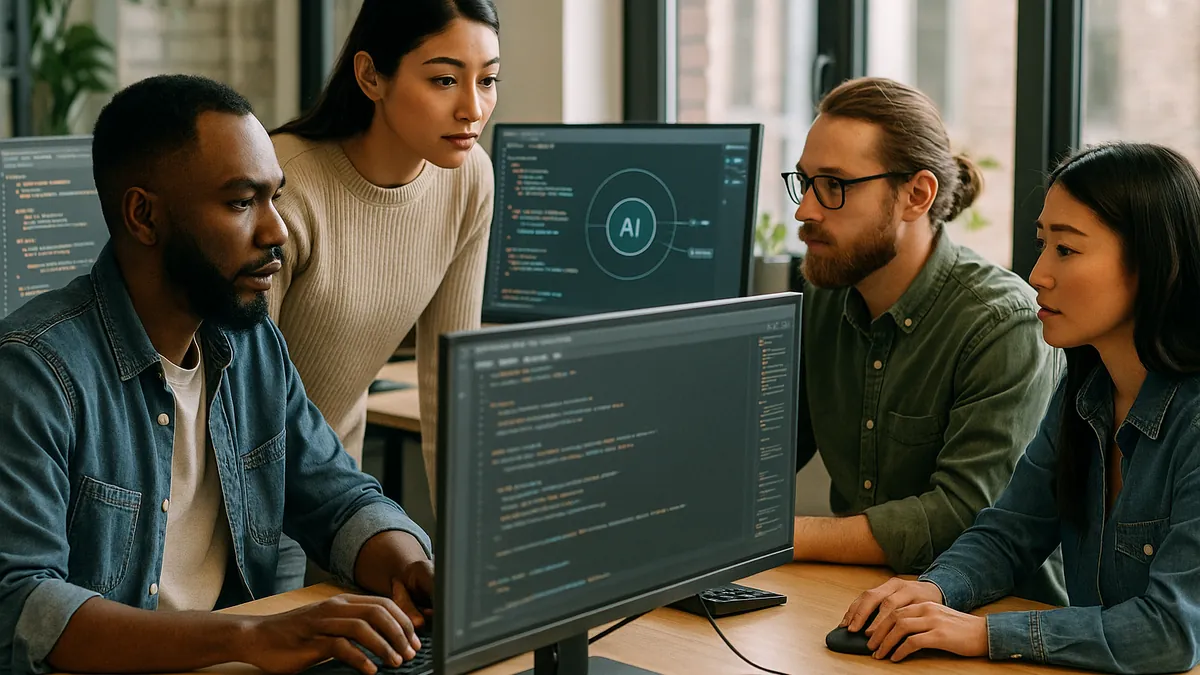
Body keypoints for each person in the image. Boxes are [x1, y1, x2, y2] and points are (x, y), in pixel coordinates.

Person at [0, 74, 435, 675]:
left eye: (274, 196)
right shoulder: (35, 372)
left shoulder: (251, 343)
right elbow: (23, 606)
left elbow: (339, 500)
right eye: (240, 202)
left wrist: (412, 567)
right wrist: (248, 638)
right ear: (143, 217)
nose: (276, 229)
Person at [840, 142, 1200, 673]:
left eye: (1067, 250)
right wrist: (933, 594)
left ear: (1150, 264)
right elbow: (1010, 532)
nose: (1037, 274)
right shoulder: (1086, 389)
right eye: (1042, 245)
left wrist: (985, 633)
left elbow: (1170, 632)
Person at [788, 77, 1065, 603]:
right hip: (853, 600)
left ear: (917, 195)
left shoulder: (1002, 323)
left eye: (834, 185)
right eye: (804, 182)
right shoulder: (827, 294)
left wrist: (783, 536)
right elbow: (767, 452)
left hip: (992, 620)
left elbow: (965, 514)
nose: (806, 210)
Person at [265, 0, 499, 592]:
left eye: (488, 80)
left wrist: (472, 563)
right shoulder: (282, 186)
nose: (473, 108)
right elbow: (236, 402)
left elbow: (453, 381)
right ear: (371, 76)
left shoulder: (469, 178)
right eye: (444, 80)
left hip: (338, 495)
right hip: (241, 497)